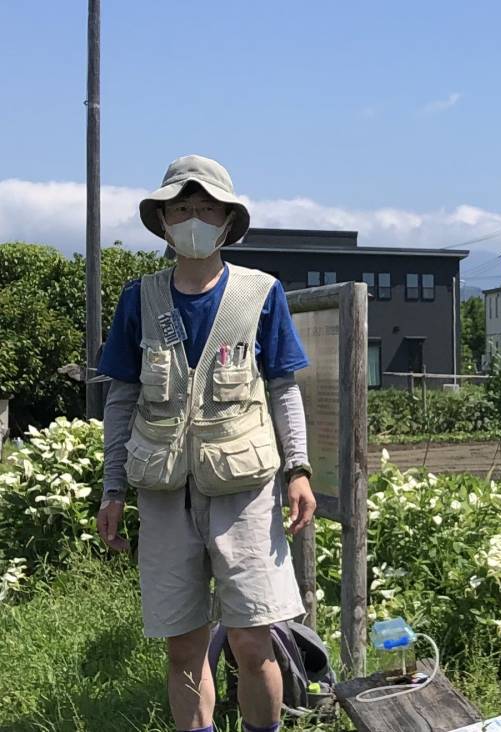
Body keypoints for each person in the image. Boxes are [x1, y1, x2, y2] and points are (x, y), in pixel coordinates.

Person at [96, 154, 317, 732]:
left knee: (252, 639)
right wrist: (111, 488)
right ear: (163, 220)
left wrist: (299, 469)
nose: (193, 217)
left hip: (245, 491)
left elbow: (282, 387)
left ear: (227, 220)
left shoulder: (261, 293)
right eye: (182, 207)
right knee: (183, 645)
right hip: (165, 492)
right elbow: (121, 398)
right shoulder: (138, 299)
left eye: (205, 207)